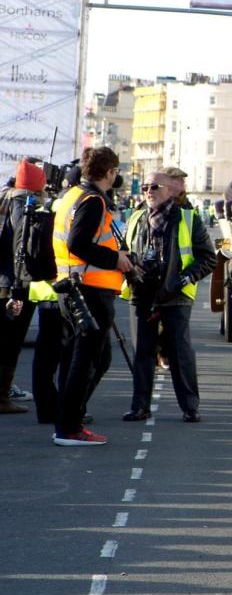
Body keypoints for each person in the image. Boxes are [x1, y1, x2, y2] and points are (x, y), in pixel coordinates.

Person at [52, 146, 135, 446]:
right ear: (110, 172)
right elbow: (78, 243)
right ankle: (69, 427)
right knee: (86, 361)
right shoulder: (93, 200)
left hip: (73, 286)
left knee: (90, 358)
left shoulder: (71, 196)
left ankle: (68, 420)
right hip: (89, 288)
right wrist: (117, 260)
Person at [120, 170, 216, 423]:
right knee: (142, 351)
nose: (148, 192)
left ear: (170, 190)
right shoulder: (136, 218)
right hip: (141, 293)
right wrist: (132, 267)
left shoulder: (188, 218)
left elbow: (208, 258)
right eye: (145, 188)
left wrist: (183, 279)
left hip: (176, 294)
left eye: (154, 187)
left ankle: (190, 406)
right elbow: (123, 252)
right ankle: (140, 406)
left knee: (180, 351)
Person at [0, 159, 45, 413]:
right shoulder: (24, 205)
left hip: (2, 280)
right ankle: (2, 397)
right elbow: (23, 246)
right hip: (14, 285)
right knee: (11, 342)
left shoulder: (4, 198)